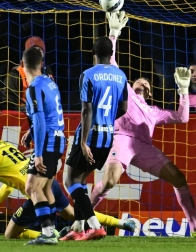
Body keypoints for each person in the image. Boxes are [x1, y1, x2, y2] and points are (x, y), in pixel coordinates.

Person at [87, 12, 196, 239]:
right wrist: (114, 33)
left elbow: (182, 117)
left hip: (143, 147)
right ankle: (81, 217)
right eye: (139, 81)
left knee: (179, 178)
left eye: (146, 83)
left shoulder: (154, 112)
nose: (142, 82)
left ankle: (194, 227)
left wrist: (183, 90)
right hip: (122, 138)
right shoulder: (123, 90)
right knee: (110, 181)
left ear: (150, 92)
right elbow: (111, 63)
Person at [0, 122, 135, 237]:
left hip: (37, 192)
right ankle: (121, 224)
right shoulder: (3, 145)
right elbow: (8, 187)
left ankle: (53, 236)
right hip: (50, 182)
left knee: (9, 234)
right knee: (73, 215)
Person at [64, 12, 128, 242]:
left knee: (70, 181)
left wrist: (82, 141)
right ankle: (78, 227)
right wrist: (108, 118)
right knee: (81, 181)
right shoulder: (121, 76)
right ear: (112, 54)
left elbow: (86, 110)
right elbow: (123, 109)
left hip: (90, 135)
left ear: (93, 53)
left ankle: (94, 226)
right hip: (108, 136)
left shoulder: (88, 75)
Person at [21, 46, 66, 245]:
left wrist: (38, 152)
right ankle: (53, 230)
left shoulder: (32, 88)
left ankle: (47, 232)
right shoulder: (50, 82)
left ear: (22, 66)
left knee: (32, 186)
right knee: (46, 186)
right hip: (58, 138)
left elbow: (39, 118)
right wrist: (31, 131)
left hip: (47, 141)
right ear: (41, 64)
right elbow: (50, 112)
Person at [3, 36, 54, 111]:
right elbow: (7, 102)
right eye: (33, 50)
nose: (36, 54)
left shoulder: (47, 74)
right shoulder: (15, 74)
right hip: (21, 118)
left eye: (40, 51)